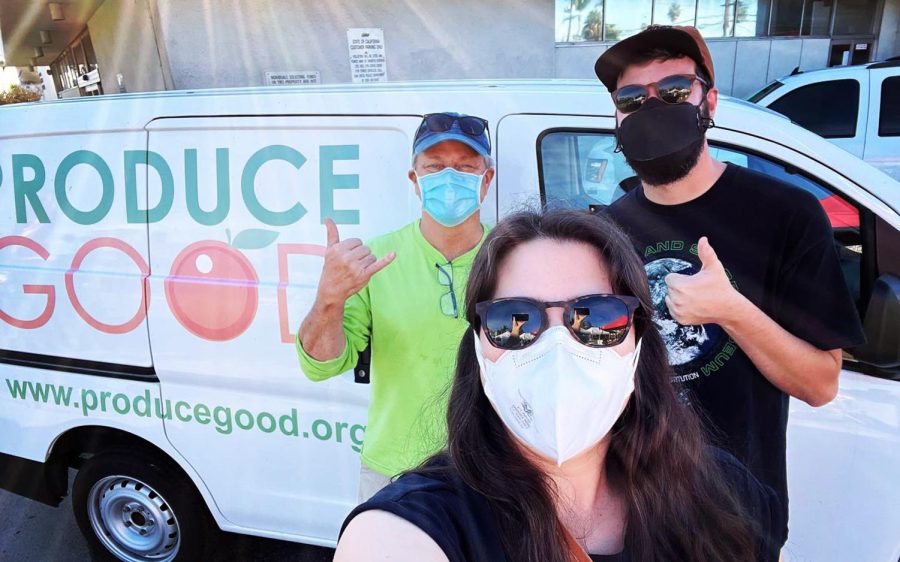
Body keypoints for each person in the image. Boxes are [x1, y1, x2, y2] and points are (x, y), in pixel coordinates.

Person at [335, 209, 783, 562]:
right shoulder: (417, 528)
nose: (556, 346)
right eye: (515, 320)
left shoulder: (724, 495)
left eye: (597, 317)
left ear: (638, 341)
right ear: (478, 349)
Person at [595, 25, 866, 547]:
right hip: (630, 515)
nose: (651, 108)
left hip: (740, 517)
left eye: (674, 90)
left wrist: (731, 311)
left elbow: (820, 384)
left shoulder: (786, 214)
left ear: (709, 102)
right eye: (631, 98)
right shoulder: (606, 232)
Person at [296, 112, 494, 501]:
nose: (449, 178)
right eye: (434, 167)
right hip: (395, 472)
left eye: (465, 167)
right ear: (415, 181)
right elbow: (321, 365)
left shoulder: (513, 255)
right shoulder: (374, 260)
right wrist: (329, 299)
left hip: (493, 472)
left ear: (486, 181)